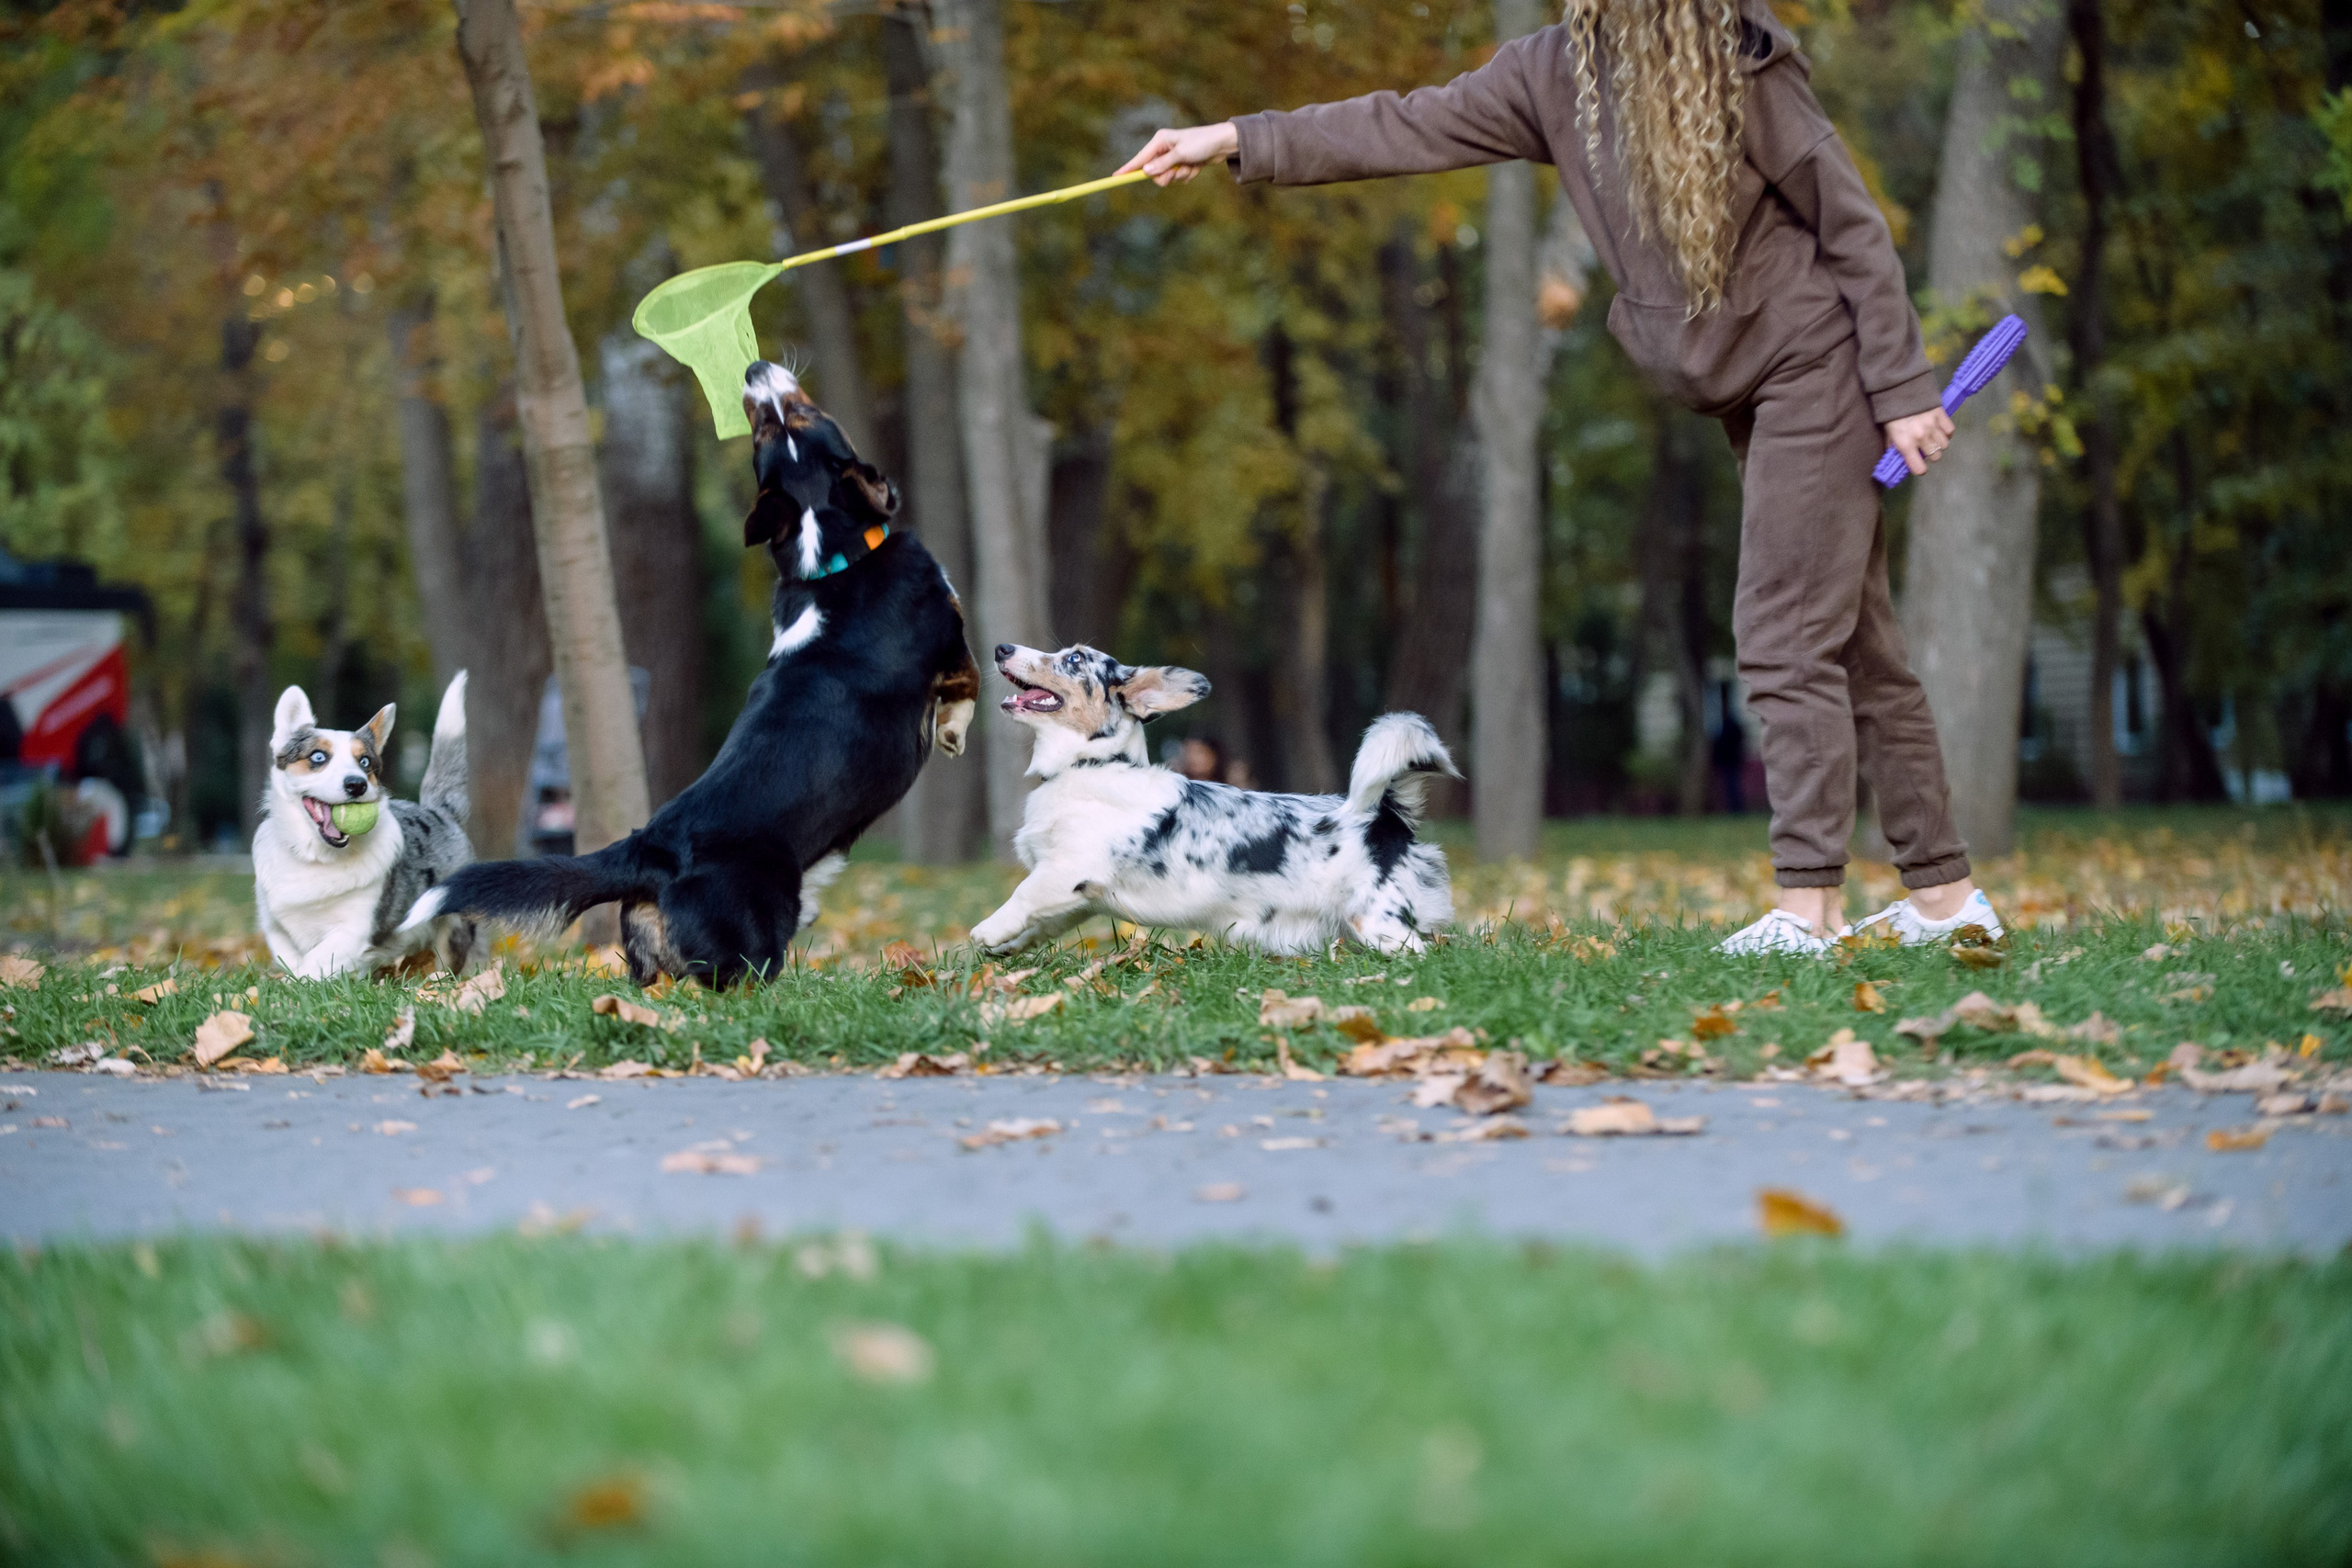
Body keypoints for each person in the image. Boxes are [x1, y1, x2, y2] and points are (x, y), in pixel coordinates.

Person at [1119, 0, 2005, 954]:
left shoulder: (1744, 62)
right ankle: (1946, 901)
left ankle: (1808, 908)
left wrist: (1902, 389)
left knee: (1784, 634)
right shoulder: (1555, 71)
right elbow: (1403, 123)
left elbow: (1853, 225)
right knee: (1859, 648)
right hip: (1747, 379)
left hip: (1817, 368)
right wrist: (1234, 138)